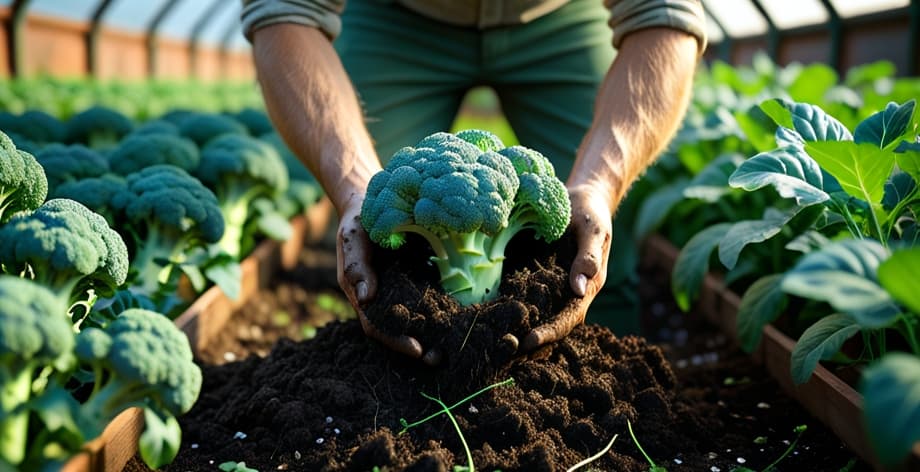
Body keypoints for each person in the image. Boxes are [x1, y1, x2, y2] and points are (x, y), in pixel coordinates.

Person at [241, 0, 706, 363]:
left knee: (600, 244)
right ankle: (399, 393)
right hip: (396, 18)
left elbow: (665, 16)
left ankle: (608, 399)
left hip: (559, 15)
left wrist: (600, 185)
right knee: (376, 252)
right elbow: (285, 13)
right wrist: (354, 189)